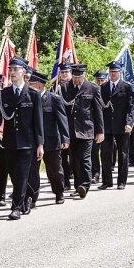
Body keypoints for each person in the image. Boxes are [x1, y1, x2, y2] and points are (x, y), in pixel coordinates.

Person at [0, 57, 44, 219]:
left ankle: (16, 207)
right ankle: (26, 198)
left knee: (22, 174)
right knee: (15, 175)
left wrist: (40, 144)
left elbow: (38, 121)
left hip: (27, 142)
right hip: (9, 142)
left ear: (23, 72)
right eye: (11, 69)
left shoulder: (33, 95)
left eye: (16, 69)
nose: (12, 72)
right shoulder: (4, 94)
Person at [26, 70, 69, 206]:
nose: (28, 86)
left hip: (51, 141)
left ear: (39, 85)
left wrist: (65, 138)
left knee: (54, 170)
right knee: (32, 172)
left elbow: (62, 120)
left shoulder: (54, 99)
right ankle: (32, 197)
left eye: (31, 84)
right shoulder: (28, 99)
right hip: (33, 142)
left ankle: (59, 192)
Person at [61, 64, 104, 198]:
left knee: (85, 158)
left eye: (79, 77)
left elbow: (98, 111)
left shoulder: (92, 88)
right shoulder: (64, 88)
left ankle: (84, 185)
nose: (76, 80)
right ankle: (77, 186)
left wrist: (100, 131)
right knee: (74, 160)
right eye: (74, 77)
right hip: (71, 130)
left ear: (84, 75)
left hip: (87, 130)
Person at [99, 60, 134, 190]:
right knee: (105, 153)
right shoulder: (103, 87)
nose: (113, 74)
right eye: (111, 72)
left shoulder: (127, 86)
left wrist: (129, 123)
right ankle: (107, 181)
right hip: (107, 125)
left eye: (115, 72)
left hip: (122, 125)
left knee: (123, 155)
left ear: (120, 72)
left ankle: (121, 181)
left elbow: (131, 107)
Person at [54, 63, 74, 191]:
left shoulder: (74, 87)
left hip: (73, 127)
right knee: (62, 157)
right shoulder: (55, 88)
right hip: (60, 128)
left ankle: (79, 180)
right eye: (62, 72)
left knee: (75, 157)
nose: (64, 75)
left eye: (66, 72)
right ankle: (65, 181)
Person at [91, 70, 108, 184]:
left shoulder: (108, 91)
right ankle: (96, 173)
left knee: (106, 151)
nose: (100, 82)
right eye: (98, 80)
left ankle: (107, 170)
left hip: (108, 126)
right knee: (94, 151)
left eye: (102, 80)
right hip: (96, 126)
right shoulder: (92, 90)